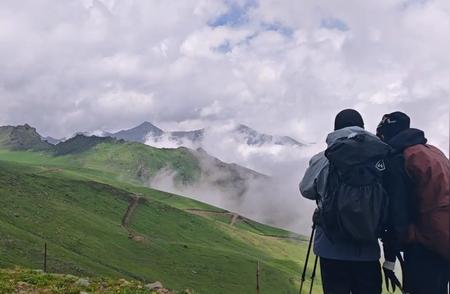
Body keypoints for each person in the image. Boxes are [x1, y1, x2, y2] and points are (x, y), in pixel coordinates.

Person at [300, 109, 389, 294]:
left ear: (336, 128)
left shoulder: (323, 158)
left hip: (330, 247)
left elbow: (306, 190)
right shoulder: (381, 157)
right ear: (363, 127)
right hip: (367, 250)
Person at [377, 111, 449, 294]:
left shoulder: (400, 158)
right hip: (444, 240)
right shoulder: (434, 153)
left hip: (423, 244)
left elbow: (397, 211)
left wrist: (402, 241)